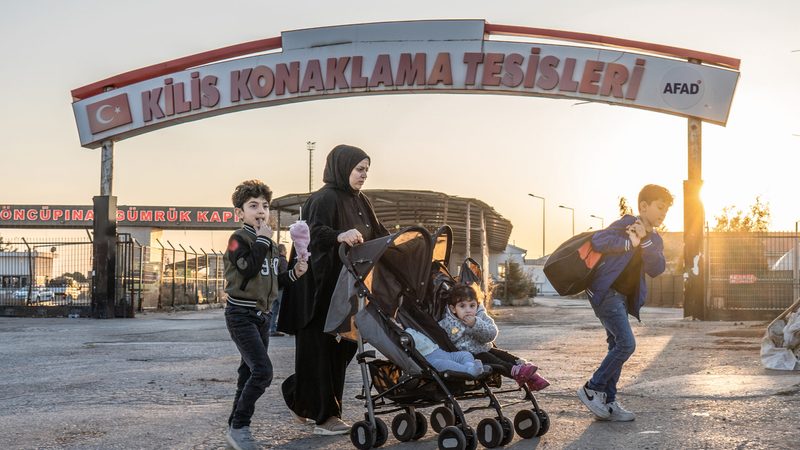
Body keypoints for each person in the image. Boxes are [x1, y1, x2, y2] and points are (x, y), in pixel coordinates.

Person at [279, 144, 389, 436]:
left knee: (346, 345)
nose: (364, 175)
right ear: (343, 168)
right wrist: (339, 234)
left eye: (367, 170)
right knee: (319, 349)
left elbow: (377, 232)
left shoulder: (362, 201)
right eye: (359, 169)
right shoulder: (323, 198)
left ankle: (299, 393)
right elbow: (310, 232)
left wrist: (402, 243)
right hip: (318, 290)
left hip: (346, 288)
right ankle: (325, 417)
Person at [223, 180, 308, 450]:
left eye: (265, 206)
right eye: (253, 206)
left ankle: (233, 427)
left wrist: (295, 273)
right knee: (263, 372)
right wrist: (262, 239)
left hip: (262, 316)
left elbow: (276, 280)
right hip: (240, 315)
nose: (261, 211)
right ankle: (240, 427)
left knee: (247, 372)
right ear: (240, 213)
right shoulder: (238, 239)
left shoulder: (271, 245)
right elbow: (247, 267)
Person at [576, 184, 673, 422]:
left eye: (666, 210)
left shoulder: (655, 239)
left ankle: (608, 402)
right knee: (627, 344)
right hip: (605, 293)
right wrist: (630, 242)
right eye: (660, 207)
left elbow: (657, 268)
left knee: (616, 346)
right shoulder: (625, 223)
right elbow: (599, 240)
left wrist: (645, 242)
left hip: (622, 299)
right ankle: (592, 388)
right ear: (643, 206)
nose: (663, 213)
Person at [438, 284, 549, 391]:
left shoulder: (479, 317)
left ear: (477, 305)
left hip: (484, 348)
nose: (468, 310)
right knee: (493, 360)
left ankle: (530, 375)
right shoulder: (448, 323)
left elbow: (491, 334)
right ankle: (514, 371)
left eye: (472, 305)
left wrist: (476, 324)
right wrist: (465, 327)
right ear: (453, 309)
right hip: (468, 356)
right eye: (462, 306)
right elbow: (450, 338)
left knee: (504, 355)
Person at [404, 327, 489, 377]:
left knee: (465, 354)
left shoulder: (409, 328)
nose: (398, 324)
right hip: (430, 360)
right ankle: (470, 371)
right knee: (447, 364)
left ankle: (470, 366)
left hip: (441, 352)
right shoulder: (402, 337)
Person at [268, 244, 288, 337]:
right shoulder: (283, 261)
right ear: (282, 251)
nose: (286, 252)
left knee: (274, 310)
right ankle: (288, 328)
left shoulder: (273, 260)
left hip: (273, 288)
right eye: (285, 250)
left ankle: (272, 329)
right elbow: (284, 275)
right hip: (281, 289)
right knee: (285, 309)